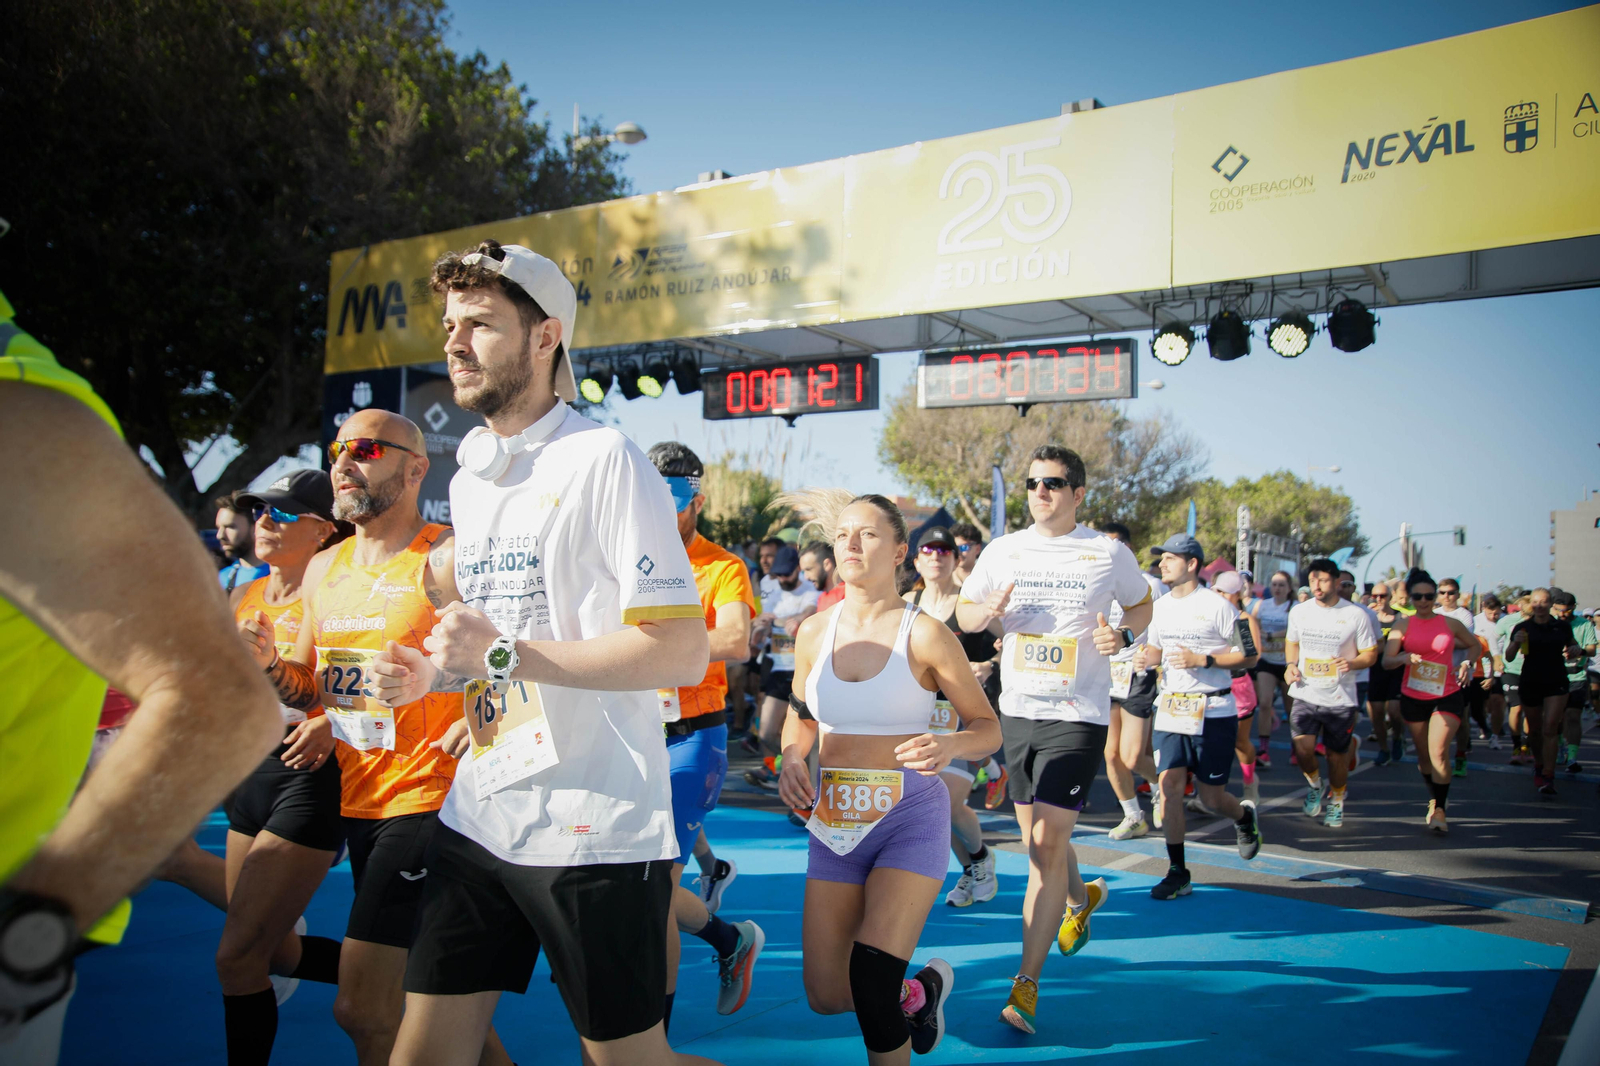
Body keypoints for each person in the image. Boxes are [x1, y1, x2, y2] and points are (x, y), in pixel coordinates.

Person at [367, 240, 714, 1066]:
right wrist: (432, 673)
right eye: (450, 323)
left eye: (480, 324)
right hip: (483, 809)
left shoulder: (606, 459)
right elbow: (501, 638)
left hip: (592, 826)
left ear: (545, 335)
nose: (453, 342)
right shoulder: (477, 475)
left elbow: (680, 651)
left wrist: (500, 659)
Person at [1, 287, 282, 1063]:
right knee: (223, 913)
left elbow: (221, 700)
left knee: (228, 911)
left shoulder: (20, 408)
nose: (254, 533)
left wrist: (20, 949)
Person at [241, 414, 513, 1066]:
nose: (342, 464)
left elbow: (509, 658)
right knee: (441, 1013)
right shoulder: (325, 566)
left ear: (416, 468)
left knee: (364, 1008)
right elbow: (311, 687)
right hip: (361, 797)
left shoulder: (446, 554)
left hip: (436, 801)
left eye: (364, 450)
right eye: (338, 450)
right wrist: (270, 667)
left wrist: (480, 721)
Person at [779, 491, 1001, 1061]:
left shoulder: (924, 633)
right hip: (835, 822)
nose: (851, 543)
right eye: (844, 533)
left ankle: (892, 993)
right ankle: (919, 992)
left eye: (869, 534)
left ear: (900, 549)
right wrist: (793, 758)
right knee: (827, 994)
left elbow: (987, 728)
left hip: (910, 816)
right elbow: (800, 718)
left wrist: (950, 742)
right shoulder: (813, 632)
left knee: (869, 985)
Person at [954, 445, 1154, 1036]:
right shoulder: (1003, 550)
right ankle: (1079, 899)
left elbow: (1141, 606)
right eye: (1033, 483)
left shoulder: (1106, 551)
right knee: (1037, 836)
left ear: (1078, 493)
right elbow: (966, 619)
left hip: (1078, 714)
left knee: (1044, 845)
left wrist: (1122, 634)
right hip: (1015, 711)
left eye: (1054, 483)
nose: (1041, 491)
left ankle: (1027, 985)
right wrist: (983, 611)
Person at [213, 470, 350, 1063]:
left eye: (285, 513)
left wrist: (321, 712)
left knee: (236, 956)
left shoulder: (335, 596)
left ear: (323, 531)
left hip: (309, 773)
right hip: (248, 773)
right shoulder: (241, 595)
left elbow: (328, 690)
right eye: (261, 510)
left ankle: (399, 976)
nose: (265, 521)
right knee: (269, 954)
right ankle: (396, 971)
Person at [645, 441, 765, 1024]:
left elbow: (737, 640)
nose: (662, 503)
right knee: (635, 882)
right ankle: (728, 941)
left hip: (693, 732)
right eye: (650, 489)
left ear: (697, 493)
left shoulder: (721, 566)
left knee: (656, 883)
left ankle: (652, 1039)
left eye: (674, 490)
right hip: (628, 731)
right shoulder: (620, 559)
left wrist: (647, 648)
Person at [1142, 535, 1263, 900]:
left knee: (1212, 799)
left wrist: (1204, 660)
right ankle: (1178, 871)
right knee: (1169, 789)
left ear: (1192, 564)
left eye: (1170, 558)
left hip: (1214, 710)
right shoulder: (1158, 607)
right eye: (1160, 559)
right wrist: (1142, 660)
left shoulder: (1220, 607)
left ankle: (1243, 818)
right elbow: (1154, 650)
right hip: (1172, 709)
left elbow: (1251, 655)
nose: (1162, 564)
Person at [900, 526, 1003, 908]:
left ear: (956, 559)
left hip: (964, 717)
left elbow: (1010, 640)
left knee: (947, 799)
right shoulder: (905, 602)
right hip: (917, 715)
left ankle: (980, 858)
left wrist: (990, 664)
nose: (936, 555)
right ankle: (972, 866)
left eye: (944, 550)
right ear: (916, 560)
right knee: (930, 805)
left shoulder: (967, 606)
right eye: (928, 548)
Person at [1381, 569, 1480, 831]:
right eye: (1418, 596)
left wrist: (1468, 663)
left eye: (1428, 596)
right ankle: (1434, 798)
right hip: (1414, 697)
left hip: (1446, 695)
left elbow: (1475, 644)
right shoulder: (1402, 625)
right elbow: (1386, 661)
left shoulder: (1450, 623)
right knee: (1424, 757)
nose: (1423, 601)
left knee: (1438, 752)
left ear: (1435, 596)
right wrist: (1403, 658)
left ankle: (1440, 811)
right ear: (1410, 596)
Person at [1284, 560, 1379, 828]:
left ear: (1337, 582)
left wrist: (1353, 663)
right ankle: (1315, 785)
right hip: (1305, 691)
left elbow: (1371, 653)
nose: (1317, 585)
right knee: (1302, 747)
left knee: (1337, 758)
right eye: (1313, 579)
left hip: (1340, 698)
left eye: (1323, 580)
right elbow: (1292, 643)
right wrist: (1291, 665)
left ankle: (1337, 801)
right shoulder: (1299, 611)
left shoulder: (1355, 615)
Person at [1097, 522, 1166, 839]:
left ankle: (1162, 786)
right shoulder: (1093, 579)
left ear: (1125, 549)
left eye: (1112, 545)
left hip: (1137, 675)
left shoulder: (1151, 583)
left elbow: (1163, 625)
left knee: (1134, 755)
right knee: (1110, 754)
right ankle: (1133, 815)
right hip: (1104, 675)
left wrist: (1153, 656)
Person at [745, 545, 819, 791]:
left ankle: (799, 775)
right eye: (779, 575)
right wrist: (758, 628)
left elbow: (811, 609)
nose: (783, 579)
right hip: (776, 666)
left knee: (803, 734)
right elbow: (761, 618)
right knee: (766, 732)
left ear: (798, 569)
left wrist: (799, 619)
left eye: (787, 574)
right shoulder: (769, 584)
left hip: (802, 670)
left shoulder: (810, 586)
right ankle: (774, 766)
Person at [1507, 588, 1583, 797]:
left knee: (1551, 727)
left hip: (1556, 681)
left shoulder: (1562, 627)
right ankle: (1539, 764)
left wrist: (1575, 650)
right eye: (1536, 602)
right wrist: (1516, 642)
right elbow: (1510, 656)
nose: (1540, 606)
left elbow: (1573, 647)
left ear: (1551, 604)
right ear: (1531, 604)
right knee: (1535, 730)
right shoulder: (1523, 627)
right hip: (1531, 681)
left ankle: (1549, 775)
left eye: (1544, 602)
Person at [1212, 570, 1264, 806]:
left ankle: (1249, 783)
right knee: (1210, 741)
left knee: (1240, 742)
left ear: (1236, 594)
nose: (1219, 595)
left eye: (1223, 591)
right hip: (1212, 684)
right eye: (1216, 590)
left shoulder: (1242, 619)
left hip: (1239, 686)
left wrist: (1218, 658)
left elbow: (1253, 655)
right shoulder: (1209, 614)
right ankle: (1209, 792)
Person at [1250, 570, 1297, 769]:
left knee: (1291, 708)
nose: (1277, 588)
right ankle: (1263, 750)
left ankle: (1297, 749)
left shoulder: (1294, 607)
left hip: (1288, 662)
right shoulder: (1262, 605)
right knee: (1265, 703)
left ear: (1289, 588)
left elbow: (1296, 631)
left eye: (1281, 585)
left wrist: (1273, 635)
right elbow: (1252, 624)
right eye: (1274, 584)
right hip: (1267, 661)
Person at [1436, 579, 1479, 777]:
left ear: (1457, 594)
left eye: (1451, 592)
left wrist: (1440, 641)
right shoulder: (1435, 614)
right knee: (1436, 719)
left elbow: (1466, 643)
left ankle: (1461, 755)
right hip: (1436, 674)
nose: (1446, 596)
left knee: (1461, 720)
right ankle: (1439, 757)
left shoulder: (1464, 615)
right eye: (1443, 592)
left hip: (1459, 674)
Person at [1551, 593, 1596, 775]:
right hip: (1554, 676)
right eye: (1559, 610)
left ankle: (1573, 757)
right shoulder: (1549, 624)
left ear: (1574, 606)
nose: (1562, 614)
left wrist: (1580, 650)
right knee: (1556, 718)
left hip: (1576, 676)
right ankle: (1560, 744)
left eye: (1567, 610)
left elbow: (1592, 650)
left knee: (1572, 716)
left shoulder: (1584, 624)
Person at [1366, 582, 1406, 765]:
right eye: (1375, 596)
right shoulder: (1368, 617)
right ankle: (1384, 749)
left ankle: (1397, 737)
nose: (1379, 600)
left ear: (1391, 597)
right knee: (1377, 713)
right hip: (1374, 670)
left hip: (1396, 670)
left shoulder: (1400, 618)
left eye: (1383, 596)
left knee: (1394, 711)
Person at [216, 489, 271, 593]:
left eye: (230, 527)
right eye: (218, 528)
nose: (220, 535)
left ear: (255, 526)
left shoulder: (280, 573)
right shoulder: (222, 579)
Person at [1472, 594, 1508, 751]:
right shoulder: (1475, 621)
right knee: (1480, 705)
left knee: (1497, 701)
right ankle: (1484, 723)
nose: (1494, 616)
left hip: (1500, 668)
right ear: (1483, 609)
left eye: (1497, 613)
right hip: (1480, 670)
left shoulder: (1506, 621)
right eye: (1490, 613)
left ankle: (1494, 734)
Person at [1499, 594, 1531, 764]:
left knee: (1530, 710)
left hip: (1533, 671)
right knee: (1516, 708)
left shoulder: (1545, 623)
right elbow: (1493, 638)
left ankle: (1527, 745)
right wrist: (1497, 659)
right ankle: (1517, 746)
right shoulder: (1509, 621)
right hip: (1511, 670)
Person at [802, 540, 846, 612]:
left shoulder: (848, 594)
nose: (806, 577)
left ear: (827, 565)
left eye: (809, 569)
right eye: (803, 571)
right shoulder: (821, 598)